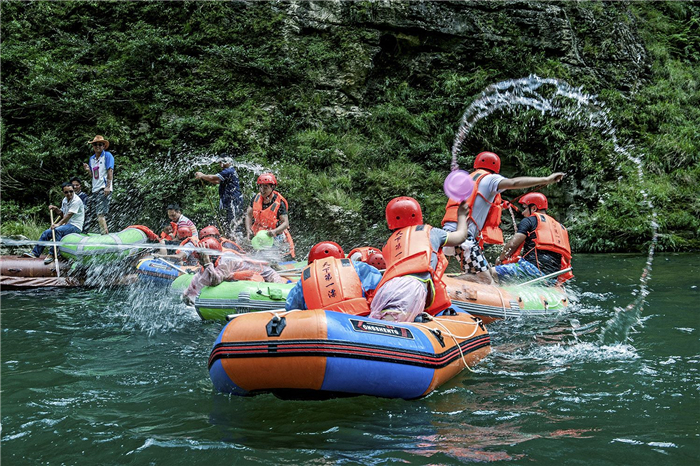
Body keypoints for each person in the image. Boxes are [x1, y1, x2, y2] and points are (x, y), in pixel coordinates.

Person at [442, 151, 565, 285]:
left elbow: (479, 205)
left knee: (478, 274)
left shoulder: (470, 180)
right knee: (486, 279)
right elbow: (513, 182)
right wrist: (546, 179)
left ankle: (449, 287)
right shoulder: (490, 179)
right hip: (464, 238)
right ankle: (444, 285)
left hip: (450, 234)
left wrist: (499, 205)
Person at [368, 196, 469, 323]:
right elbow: (460, 236)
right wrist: (461, 216)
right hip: (410, 288)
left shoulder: (387, 244)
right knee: (388, 328)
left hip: (385, 289)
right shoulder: (431, 232)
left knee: (376, 323)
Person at [182, 237, 287, 305]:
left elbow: (215, 280)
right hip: (239, 273)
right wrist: (187, 294)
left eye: (200, 259)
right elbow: (199, 277)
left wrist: (206, 262)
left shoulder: (226, 260)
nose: (199, 261)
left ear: (209, 257)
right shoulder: (214, 261)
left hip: (266, 273)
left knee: (280, 288)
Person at [495, 192, 573, 283]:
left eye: (524, 208)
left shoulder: (529, 220)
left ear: (534, 208)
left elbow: (512, 244)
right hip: (552, 278)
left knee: (491, 272)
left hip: (531, 271)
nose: (523, 213)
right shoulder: (561, 227)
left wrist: (500, 259)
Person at [285, 241, 383, 314]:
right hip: (358, 317)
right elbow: (378, 286)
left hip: (321, 323)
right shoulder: (357, 266)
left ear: (311, 262)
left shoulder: (307, 276)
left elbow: (291, 307)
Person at [24, 182, 85, 264]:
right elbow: (63, 214)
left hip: (75, 226)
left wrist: (58, 224)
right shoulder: (65, 200)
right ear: (63, 192)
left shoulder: (76, 201)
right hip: (67, 225)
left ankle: (52, 254)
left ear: (73, 190)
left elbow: (68, 216)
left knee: (57, 230)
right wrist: (56, 209)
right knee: (46, 232)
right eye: (66, 192)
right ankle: (35, 253)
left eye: (71, 191)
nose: (69, 194)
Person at [245, 172, 295, 258]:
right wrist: (248, 229)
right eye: (260, 186)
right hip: (260, 236)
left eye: (265, 187)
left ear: (272, 187)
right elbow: (248, 215)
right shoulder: (256, 198)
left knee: (274, 259)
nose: (262, 190)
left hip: (276, 236)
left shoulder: (279, 203)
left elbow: (285, 223)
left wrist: (274, 231)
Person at [194, 157, 244, 236]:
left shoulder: (228, 171)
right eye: (220, 163)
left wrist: (202, 175)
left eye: (222, 162)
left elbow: (213, 178)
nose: (221, 165)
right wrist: (203, 177)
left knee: (234, 223)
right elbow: (217, 181)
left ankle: (237, 240)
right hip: (232, 200)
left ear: (228, 162)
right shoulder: (230, 170)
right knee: (231, 222)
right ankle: (232, 237)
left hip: (233, 200)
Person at [82, 135, 113, 234]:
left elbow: (110, 171)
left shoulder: (107, 156)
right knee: (89, 212)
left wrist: (108, 187)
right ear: (93, 146)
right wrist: (88, 170)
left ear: (104, 146)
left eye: (100, 144)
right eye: (95, 144)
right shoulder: (92, 159)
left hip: (103, 188)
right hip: (94, 189)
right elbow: (94, 175)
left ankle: (105, 235)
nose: (97, 146)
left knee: (100, 213)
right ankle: (84, 233)